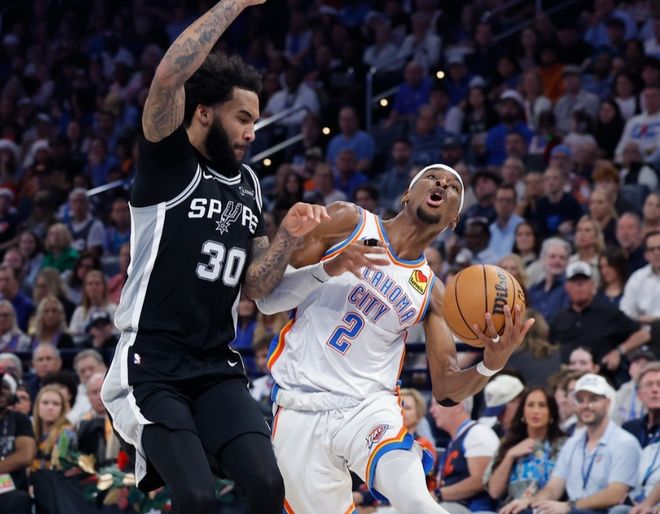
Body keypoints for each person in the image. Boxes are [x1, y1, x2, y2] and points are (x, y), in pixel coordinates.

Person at [100, 2, 327, 513]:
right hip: (152, 363)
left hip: (215, 365)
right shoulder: (168, 161)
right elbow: (167, 78)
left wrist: (289, 238)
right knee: (197, 497)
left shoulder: (249, 184)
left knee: (268, 485)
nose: (252, 132)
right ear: (204, 112)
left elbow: (255, 285)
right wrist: (232, 4)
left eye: (256, 121)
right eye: (242, 118)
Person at [256, 163, 534, 513]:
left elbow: (446, 388)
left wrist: (489, 365)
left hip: (368, 409)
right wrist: (328, 268)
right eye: (432, 177)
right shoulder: (349, 221)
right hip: (300, 405)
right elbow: (267, 300)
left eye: (453, 187)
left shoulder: (432, 292)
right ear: (407, 194)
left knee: (417, 501)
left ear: (454, 220)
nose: (441, 183)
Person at [500, 373, 642, 514]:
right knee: (524, 511)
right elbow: (553, 489)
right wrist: (528, 501)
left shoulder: (624, 443)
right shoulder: (572, 444)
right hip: (573, 509)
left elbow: (615, 494)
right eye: (580, 400)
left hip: (604, 511)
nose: (586, 405)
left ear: (607, 402)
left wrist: (570, 506)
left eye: (593, 399)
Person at [485, 388, 565, 507]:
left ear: (551, 414)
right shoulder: (508, 444)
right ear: (522, 413)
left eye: (542, 405)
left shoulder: (564, 446)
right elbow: (494, 492)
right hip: (512, 509)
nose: (535, 411)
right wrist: (510, 456)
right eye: (530, 405)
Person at [431, 396, 500, 514]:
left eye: (437, 404)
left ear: (458, 405)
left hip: (476, 509)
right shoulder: (457, 439)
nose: (431, 410)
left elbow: (481, 480)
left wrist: (438, 494)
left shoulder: (478, 433)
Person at [0, 373, 36, 514]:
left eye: (5, 388)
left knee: (19, 499)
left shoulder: (19, 419)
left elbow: (26, 456)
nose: (1, 392)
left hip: (11, 491)